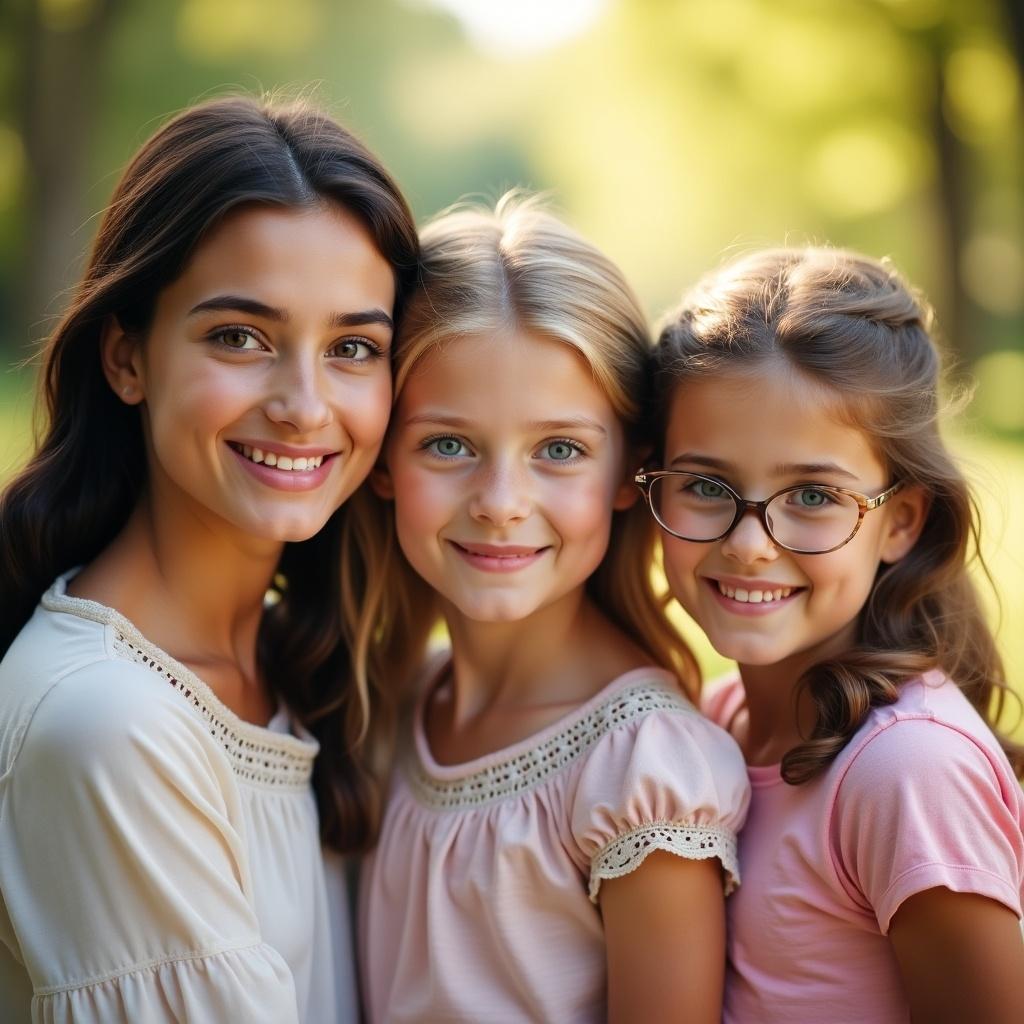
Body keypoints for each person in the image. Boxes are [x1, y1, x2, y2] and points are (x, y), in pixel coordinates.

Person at [0, 94, 418, 1022]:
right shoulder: (108, 726)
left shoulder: (305, 665)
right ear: (127, 358)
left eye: (354, 347)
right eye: (240, 338)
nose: (305, 406)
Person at [357, 193, 750, 1023]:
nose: (501, 501)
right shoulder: (394, 707)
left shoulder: (643, 773)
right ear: (383, 458)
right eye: (448, 444)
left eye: (560, 450)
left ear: (625, 474)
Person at [639, 246, 1024, 1024]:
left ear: (900, 522)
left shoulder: (904, 770)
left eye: (812, 494)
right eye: (707, 486)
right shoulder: (711, 726)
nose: (751, 543)